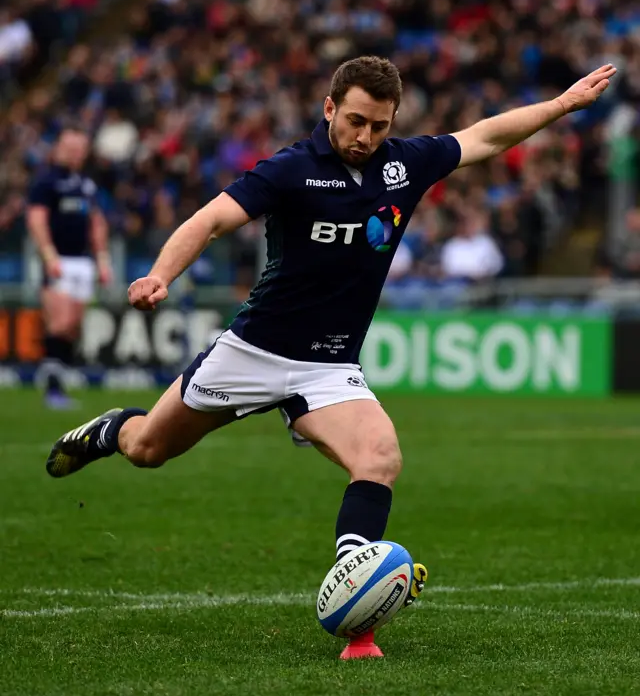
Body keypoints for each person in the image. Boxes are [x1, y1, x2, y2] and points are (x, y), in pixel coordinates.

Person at [45, 57, 615, 658]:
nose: (365, 137)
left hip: (328, 367)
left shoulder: (403, 165)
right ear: (329, 109)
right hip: (252, 351)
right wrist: (159, 275)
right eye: (356, 121)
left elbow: (483, 137)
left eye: (379, 125)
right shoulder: (291, 170)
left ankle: (359, 618)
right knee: (148, 450)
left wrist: (559, 107)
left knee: (379, 455)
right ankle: (110, 429)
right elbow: (212, 220)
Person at [26, 129, 113, 409]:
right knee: (60, 322)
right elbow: (36, 220)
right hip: (60, 260)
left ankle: (58, 385)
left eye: (79, 148)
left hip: (83, 262)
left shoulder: (86, 184)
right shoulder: (47, 182)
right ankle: (51, 386)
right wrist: (49, 256)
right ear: (59, 148)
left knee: (72, 327)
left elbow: (97, 223)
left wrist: (102, 259)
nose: (74, 153)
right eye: (69, 147)